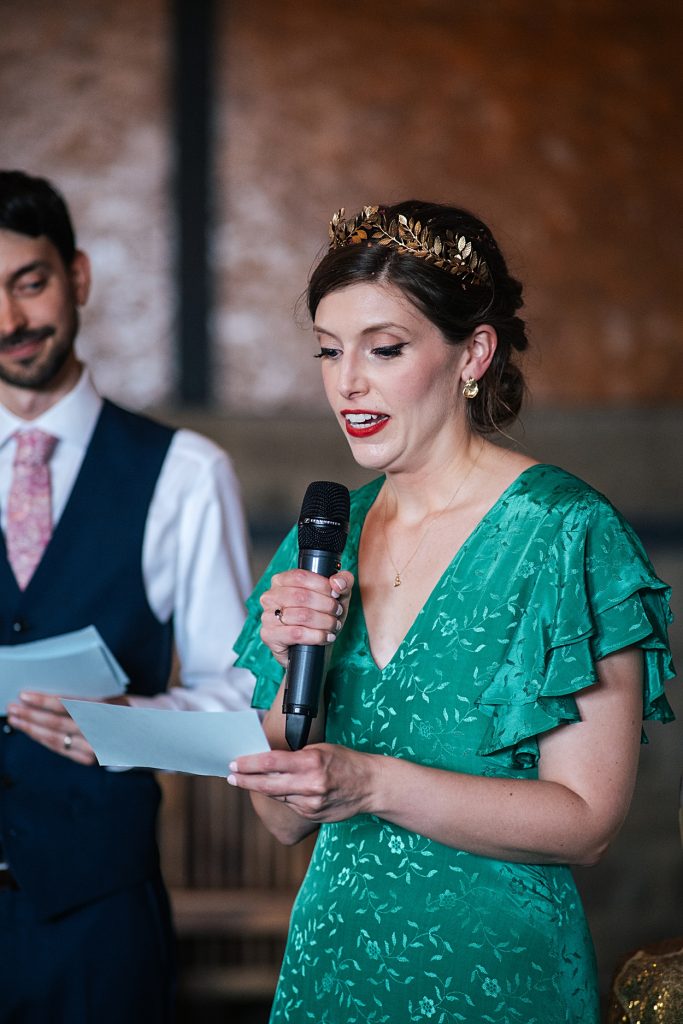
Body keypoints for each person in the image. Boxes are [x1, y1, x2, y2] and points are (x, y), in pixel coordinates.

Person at [227, 201, 676, 1024]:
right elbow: (282, 823)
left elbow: (585, 824)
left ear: (472, 353)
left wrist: (372, 783)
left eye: (383, 350)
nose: (346, 383)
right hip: (335, 966)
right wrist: (287, 705)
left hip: (500, 975)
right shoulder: (321, 536)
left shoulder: (564, 532)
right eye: (328, 352)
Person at [0, 170, 255, 1023]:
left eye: (28, 284)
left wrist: (119, 723)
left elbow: (244, 701)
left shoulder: (186, 473)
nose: (7, 322)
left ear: (78, 276)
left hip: (98, 924)